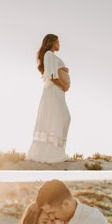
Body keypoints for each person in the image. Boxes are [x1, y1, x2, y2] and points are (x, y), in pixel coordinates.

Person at [27, 34, 71, 163]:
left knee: (59, 118)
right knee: (64, 118)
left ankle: (58, 153)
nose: (59, 45)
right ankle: (54, 153)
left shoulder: (51, 56)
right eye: (58, 42)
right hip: (54, 90)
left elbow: (54, 70)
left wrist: (63, 69)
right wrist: (63, 86)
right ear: (52, 42)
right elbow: (52, 75)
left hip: (57, 91)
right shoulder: (49, 55)